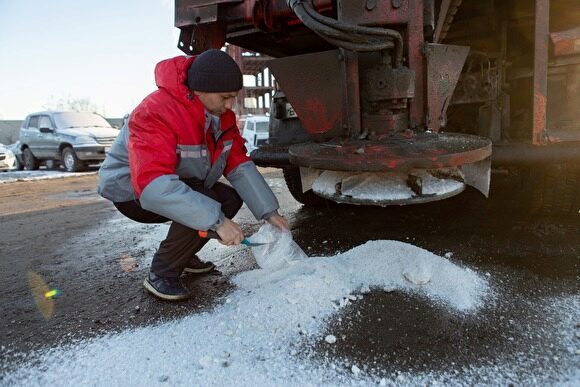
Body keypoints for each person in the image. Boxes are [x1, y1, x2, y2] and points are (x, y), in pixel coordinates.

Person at [98, 49, 289, 301]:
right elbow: (153, 185)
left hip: (173, 183)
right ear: (200, 90)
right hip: (134, 191)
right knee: (209, 205)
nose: (230, 105)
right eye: (225, 97)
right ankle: (162, 273)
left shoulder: (221, 117)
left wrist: (269, 212)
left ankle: (184, 256)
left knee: (228, 200)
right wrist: (218, 223)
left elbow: (238, 164)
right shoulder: (155, 112)